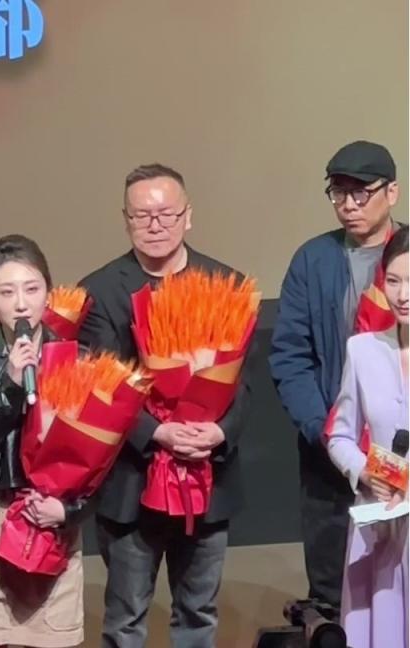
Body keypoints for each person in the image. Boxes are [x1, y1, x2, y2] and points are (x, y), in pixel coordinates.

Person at [78, 163, 250, 648]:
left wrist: (219, 432)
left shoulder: (227, 284)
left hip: (208, 475)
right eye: (142, 216)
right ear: (126, 220)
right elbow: (102, 386)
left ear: (188, 216)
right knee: (125, 620)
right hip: (132, 483)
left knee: (198, 614)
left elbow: (245, 384)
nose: (155, 225)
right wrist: (157, 432)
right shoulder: (100, 292)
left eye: (166, 213)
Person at [270, 140, 402, 609]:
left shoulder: (407, 254)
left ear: (392, 192)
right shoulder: (314, 259)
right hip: (330, 453)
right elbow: (290, 355)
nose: (348, 205)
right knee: (333, 588)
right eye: (338, 193)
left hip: (401, 449)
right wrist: (326, 434)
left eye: (360, 193)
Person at [0, 234, 86, 648]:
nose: (21, 304)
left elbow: (100, 460)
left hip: (48, 525)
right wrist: (8, 385)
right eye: (6, 292)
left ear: (48, 294)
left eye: (32, 289)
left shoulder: (76, 359)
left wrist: (68, 508)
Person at [327, 226, 409, 648]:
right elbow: (340, 435)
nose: (402, 295)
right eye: (393, 281)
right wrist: (363, 472)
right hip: (378, 525)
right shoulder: (362, 350)